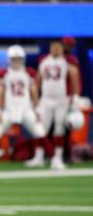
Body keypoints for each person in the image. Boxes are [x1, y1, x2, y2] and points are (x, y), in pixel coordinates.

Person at [0, 45, 52, 172]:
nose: (17, 61)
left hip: (25, 109)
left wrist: (36, 109)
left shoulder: (29, 72)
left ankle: (55, 159)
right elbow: (0, 92)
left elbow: (34, 91)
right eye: (14, 59)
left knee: (40, 132)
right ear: (9, 59)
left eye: (19, 58)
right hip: (8, 109)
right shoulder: (4, 73)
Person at [27, 40, 80, 170]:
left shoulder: (67, 61)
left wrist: (76, 96)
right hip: (46, 99)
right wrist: (36, 99)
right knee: (41, 128)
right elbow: (37, 80)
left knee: (59, 128)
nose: (55, 50)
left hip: (62, 99)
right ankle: (39, 157)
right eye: (53, 47)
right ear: (50, 48)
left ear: (62, 49)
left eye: (58, 48)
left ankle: (57, 158)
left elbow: (74, 77)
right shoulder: (44, 61)